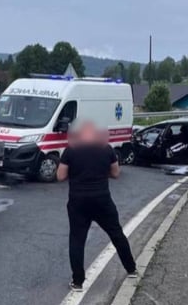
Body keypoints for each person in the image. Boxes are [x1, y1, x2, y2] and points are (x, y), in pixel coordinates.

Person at [57, 121, 137, 290]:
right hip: (102, 199)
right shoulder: (106, 149)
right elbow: (116, 173)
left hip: (78, 201)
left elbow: (60, 176)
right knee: (116, 233)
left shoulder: (71, 150)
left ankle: (78, 281)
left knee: (77, 240)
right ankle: (131, 269)